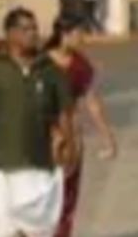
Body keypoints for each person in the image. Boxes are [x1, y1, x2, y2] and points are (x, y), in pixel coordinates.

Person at [0, 8, 76, 237]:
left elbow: (64, 114)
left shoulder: (50, 70)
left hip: (39, 168)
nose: (33, 33)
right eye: (26, 29)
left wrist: (70, 148)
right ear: (10, 34)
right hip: (0, 170)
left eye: (35, 28)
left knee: (36, 231)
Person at [47, 13, 120, 237]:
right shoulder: (40, 62)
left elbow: (91, 101)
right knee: (39, 193)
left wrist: (108, 137)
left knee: (68, 193)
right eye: (79, 33)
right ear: (64, 34)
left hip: (70, 133)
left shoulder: (80, 65)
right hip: (41, 133)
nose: (82, 38)